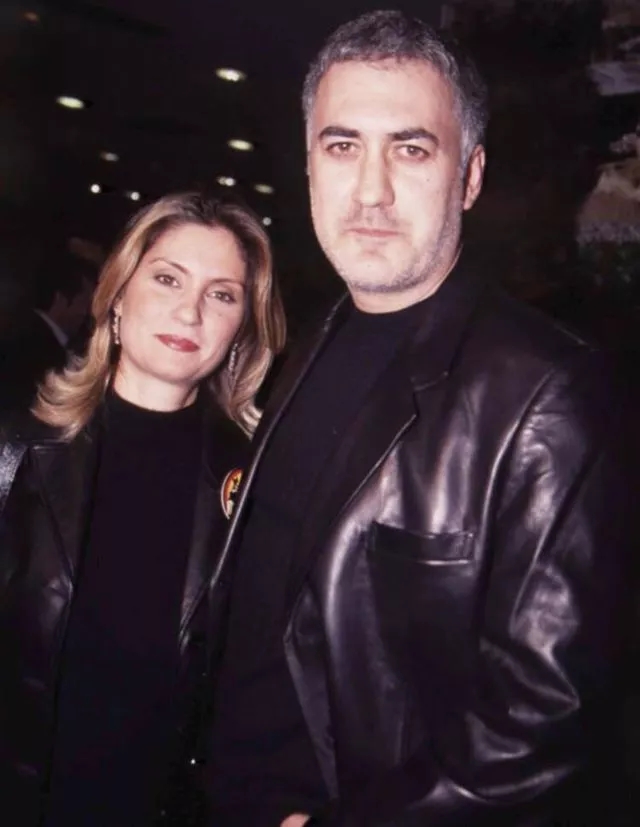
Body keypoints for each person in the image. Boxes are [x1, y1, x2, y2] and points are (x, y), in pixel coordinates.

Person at [205, 10, 635, 827]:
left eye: (410, 148)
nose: (371, 190)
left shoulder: (549, 393)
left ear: (469, 176)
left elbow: (545, 719)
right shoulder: (310, 340)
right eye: (342, 146)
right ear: (309, 165)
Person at [0, 192, 286, 827]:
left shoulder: (257, 485)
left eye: (222, 294)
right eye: (167, 279)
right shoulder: (16, 447)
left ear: (243, 326)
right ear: (117, 295)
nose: (190, 310)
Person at [0, 240, 98, 413]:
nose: (87, 312)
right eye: (84, 302)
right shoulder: (37, 349)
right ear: (61, 300)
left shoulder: (24, 332)